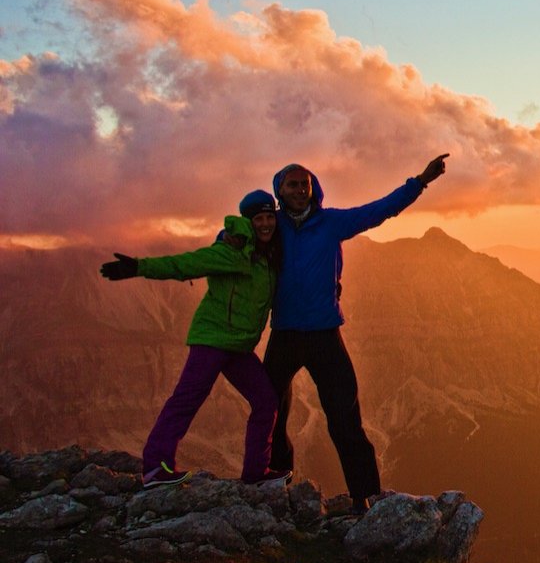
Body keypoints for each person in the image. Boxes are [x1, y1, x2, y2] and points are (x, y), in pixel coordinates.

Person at [264, 154, 449, 513]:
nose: (301, 190)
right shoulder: (272, 228)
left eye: (305, 184)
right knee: (270, 409)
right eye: (293, 185)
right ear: (279, 192)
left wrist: (420, 181)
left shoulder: (330, 222)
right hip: (285, 332)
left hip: (324, 334)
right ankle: (276, 477)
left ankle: (362, 496)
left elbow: (380, 210)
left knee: (345, 415)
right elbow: (236, 233)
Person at [100, 190, 289, 488]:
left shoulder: (270, 256)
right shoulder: (230, 253)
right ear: (248, 222)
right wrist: (139, 267)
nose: (265, 224)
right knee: (187, 400)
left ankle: (256, 474)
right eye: (258, 219)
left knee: (266, 402)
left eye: (269, 217)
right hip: (212, 340)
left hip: (239, 346)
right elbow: (186, 264)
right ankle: (155, 468)